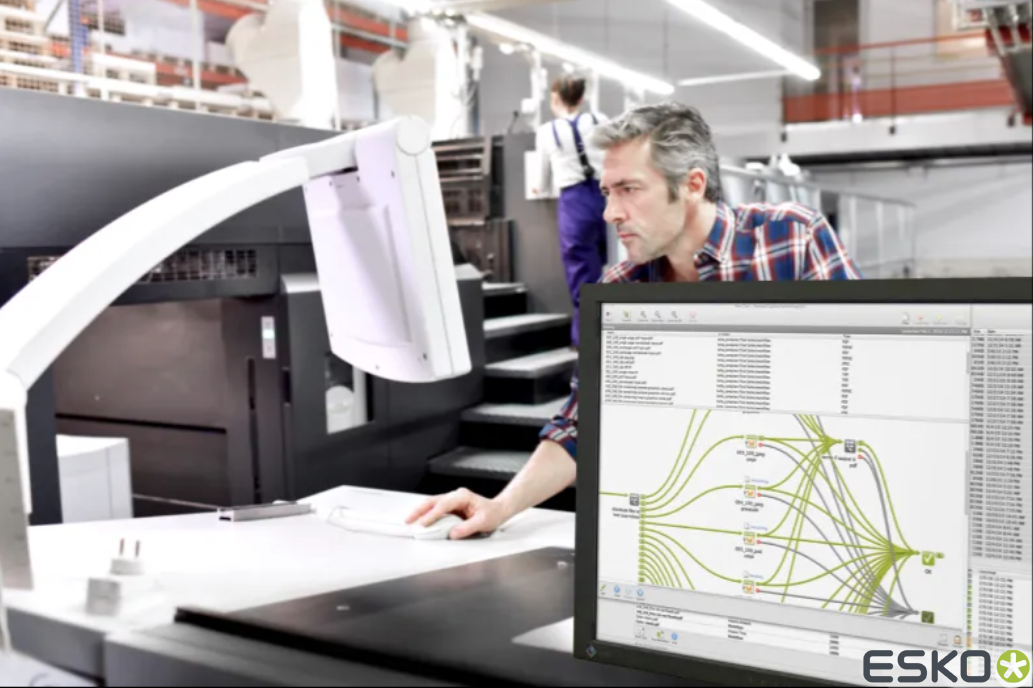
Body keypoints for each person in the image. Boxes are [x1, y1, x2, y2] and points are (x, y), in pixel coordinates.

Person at [408, 102, 862, 540]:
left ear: (693, 184)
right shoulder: (623, 287)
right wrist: (500, 506)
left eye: (629, 189)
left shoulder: (790, 239)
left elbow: (866, 379)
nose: (610, 213)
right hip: (686, 515)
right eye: (608, 192)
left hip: (801, 506)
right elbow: (583, 423)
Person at [533, 76, 610, 349]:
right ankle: (609, 330)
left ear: (555, 99)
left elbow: (541, 181)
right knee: (605, 263)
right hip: (604, 197)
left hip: (574, 200)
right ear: (581, 98)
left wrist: (539, 187)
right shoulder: (599, 119)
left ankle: (585, 337)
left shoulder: (547, 131)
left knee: (580, 267)